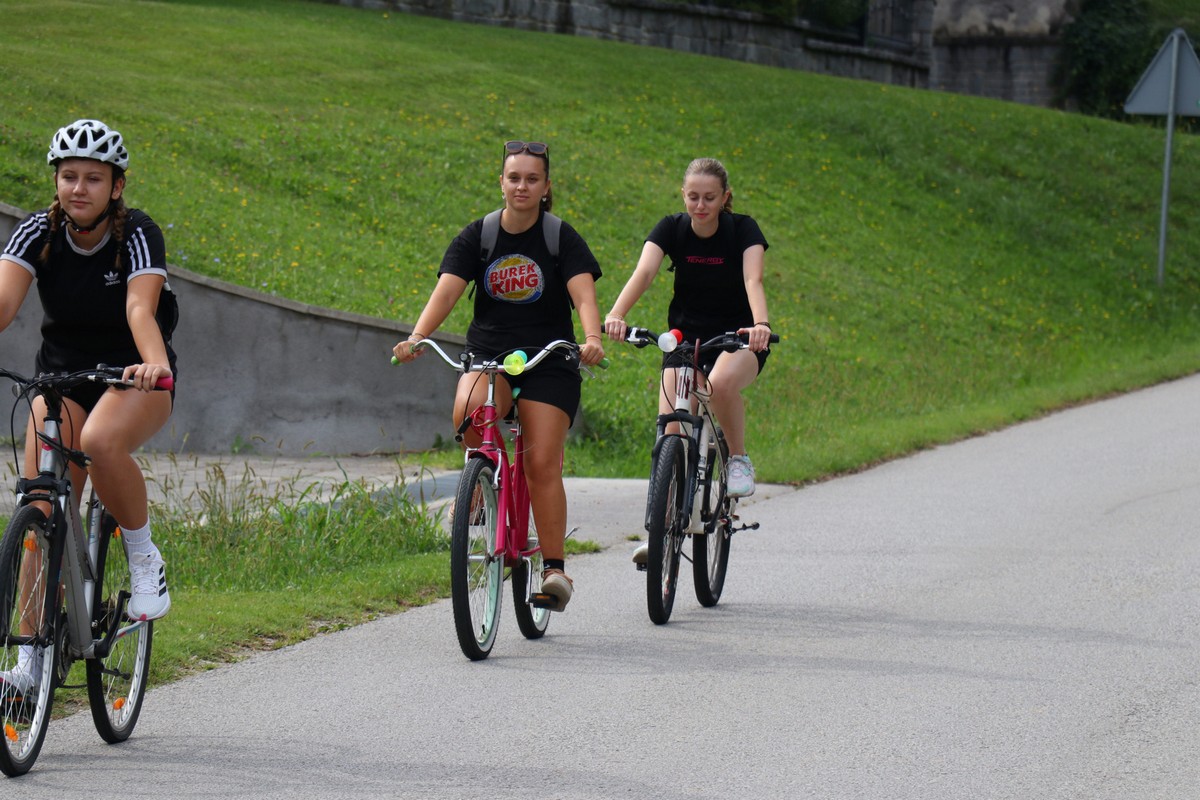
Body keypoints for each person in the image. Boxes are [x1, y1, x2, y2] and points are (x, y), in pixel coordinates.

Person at [0, 119, 178, 692]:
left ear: (116, 187)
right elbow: (3, 301)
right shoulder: (36, 232)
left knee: (102, 443)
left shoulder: (138, 234)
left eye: (93, 179)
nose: (79, 188)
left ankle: (145, 556)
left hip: (133, 375)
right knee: (39, 517)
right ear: (56, 181)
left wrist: (155, 366)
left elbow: (139, 312)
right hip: (62, 378)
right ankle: (28, 664)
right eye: (68, 176)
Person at [392, 140, 604, 611]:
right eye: (514, 177)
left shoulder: (559, 237)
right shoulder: (480, 235)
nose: (522, 186)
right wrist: (417, 336)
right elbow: (446, 292)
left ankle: (553, 569)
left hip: (549, 359)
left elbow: (584, 296)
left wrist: (592, 337)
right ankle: (479, 487)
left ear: (547, 187)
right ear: (501, 182)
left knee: (541, 461)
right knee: (469, 414)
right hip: (491, 354)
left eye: (532, 179)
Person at [604, 158, 771, 561]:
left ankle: (738, 460)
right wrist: (616, 314)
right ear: (683, 195)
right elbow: (644, 273)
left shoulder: (742, 230)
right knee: (671, 434)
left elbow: (753, 279)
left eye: (709, 198)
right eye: (693, 196)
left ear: (724, 198)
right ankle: (659, 532)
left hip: (738, 337)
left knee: (720, 386)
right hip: (684, 340)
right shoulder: (672, 229)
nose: (700, 205)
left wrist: (761, 323)